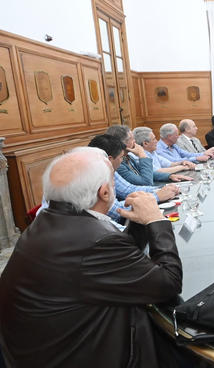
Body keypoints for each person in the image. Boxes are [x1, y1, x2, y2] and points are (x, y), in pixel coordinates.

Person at [0, 148, 183, 367]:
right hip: (80, 354)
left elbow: (111, 264)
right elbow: (169, 283)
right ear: (104, 192)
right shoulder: (96, 241)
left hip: (37, 350)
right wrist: (156, 221)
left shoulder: (51, 219)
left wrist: (138, 222)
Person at [107, 125, 190, 185]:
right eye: (132, 139)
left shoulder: (127, 158)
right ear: (123, 143)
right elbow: (146, 182)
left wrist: (169, 176)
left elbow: (149, 174)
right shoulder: (119, 164)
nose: (135, 141)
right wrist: (142, 155)